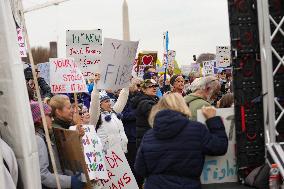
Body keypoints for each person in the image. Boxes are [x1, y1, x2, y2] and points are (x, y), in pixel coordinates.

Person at [135, 93, 228, 189]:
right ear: (183, 105)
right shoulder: (196, 129)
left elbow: (140, 169)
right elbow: (220, 147)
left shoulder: (149, 135)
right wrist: (212, 120)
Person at [30, 101, 84, 189]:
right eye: (49, 116)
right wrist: (69, 181)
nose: (52, 119)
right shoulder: (38, 139)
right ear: (40, 119)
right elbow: (43, 175)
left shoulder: (44, 135)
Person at [91, 76, 129, 153]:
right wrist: (96, 86)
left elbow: (123, 97)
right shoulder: (96, 117)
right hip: (108, 156)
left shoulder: (114, 112)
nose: (109, 103)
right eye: (106, 102)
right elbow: (94, 102)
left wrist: (126, 83)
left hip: (122, 152)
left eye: (109, 101)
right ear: (100, 104)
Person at [131, 79, 159, 148]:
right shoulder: (145, 103)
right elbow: (158, 118)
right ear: (143, 89)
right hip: (147, 139)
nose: (154, 88)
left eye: (155, 86)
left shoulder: (153, 99)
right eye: (150, 86)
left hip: (149, 138)